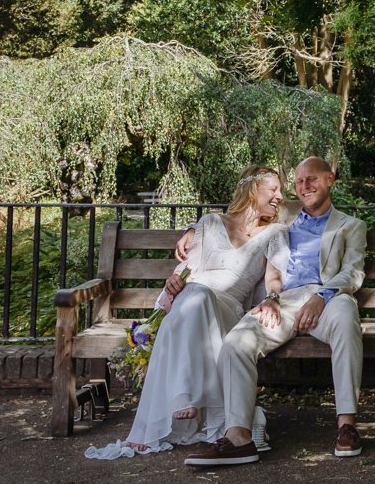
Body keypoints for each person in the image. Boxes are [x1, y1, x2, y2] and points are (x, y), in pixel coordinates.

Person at [85, 166, 286, 460]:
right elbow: (187, 270)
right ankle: (191, 398)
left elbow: (274, 276)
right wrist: (174, 281)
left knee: (198, 295)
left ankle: (184, 396)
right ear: (253, 190)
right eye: (274, 190)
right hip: (192, 302)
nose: (280, 196)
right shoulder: (209, 222)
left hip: (226, 310)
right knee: (194, 292)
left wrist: (273, 298)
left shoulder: (275, 233)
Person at [182, 156, 368, 466]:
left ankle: (347, 426)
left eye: (312, 179)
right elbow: (240, 213)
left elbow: (353, 272)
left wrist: (322, 296)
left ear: (330, 180)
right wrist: (192, 229)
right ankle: (238, 437)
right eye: (298, 182)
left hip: (329, 297)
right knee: (235, 344)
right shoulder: (286, 214)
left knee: (347, 318)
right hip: (283, 300)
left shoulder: (351, 226)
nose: (304, 186)